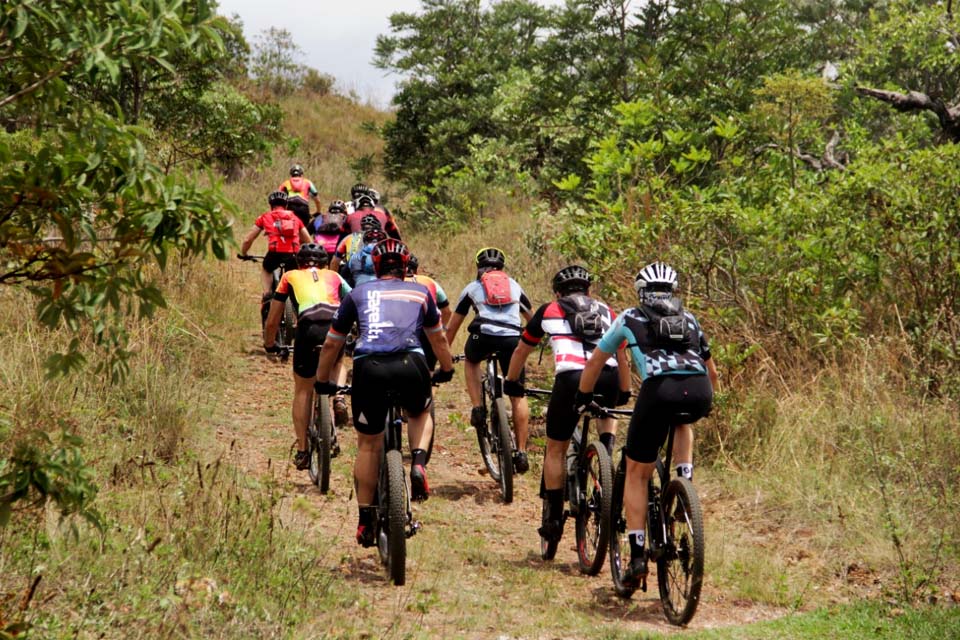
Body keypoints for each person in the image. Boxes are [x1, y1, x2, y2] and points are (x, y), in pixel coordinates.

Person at [576, 261, 719, 587]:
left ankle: (638, 556)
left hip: (659, 392)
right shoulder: (691, 319)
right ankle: (684, 485)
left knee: (637, 473)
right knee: (683, 422)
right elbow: (712, 372)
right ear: (673, 291)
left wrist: (583, 397)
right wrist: (706, 402)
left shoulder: (629, 317)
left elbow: (596, 361)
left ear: (641, 293)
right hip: (699, 390)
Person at [314, 239, 456, 545]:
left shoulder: (358, 293)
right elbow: (439, 340)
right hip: (411, 363)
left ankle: (365, 520)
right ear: (405, 268)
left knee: (368, 445)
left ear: (375, 267)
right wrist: (447, 369)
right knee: (419, 412)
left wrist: (323, 381)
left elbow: (331, 344)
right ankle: (418, 463)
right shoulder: (421, 292)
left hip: (370, 366)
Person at [503, 265, 631, 543]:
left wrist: (512, 381)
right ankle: (606, 454)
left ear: (557, 293)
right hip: (608, 376)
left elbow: (522, 349)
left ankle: (552, 518)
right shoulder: (607, 311)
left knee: (555, 449)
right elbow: (622, 356)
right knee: (606, 410)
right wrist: (625, 389)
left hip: (571, 379)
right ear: (589, 291)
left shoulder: (548, 310)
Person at [263, 244, 352, 470]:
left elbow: (273, 319)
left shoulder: (289, 276)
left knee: (303, 389)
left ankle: (303, 450)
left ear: (298, 262)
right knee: (336, 365)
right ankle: (336, 403)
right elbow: (354, 300)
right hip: (335, 326)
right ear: (324, 263)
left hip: (308, 328)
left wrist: (270, 344)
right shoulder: (334, 276)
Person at [445, 247, 534, 473]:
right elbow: (532, 319)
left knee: (471, 360)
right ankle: (522, 452)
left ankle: (478, 408)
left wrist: (444, 355)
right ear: (502, 268)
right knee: (517, 395)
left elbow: (453, 326)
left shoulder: (472, 288)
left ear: (478, 267)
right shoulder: (515, 286)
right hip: (512, 340)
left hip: (482, 338)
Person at [239, 191, 312, 324]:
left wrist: (243, 253)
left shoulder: (265, 217)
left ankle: (267, 294)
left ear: (271, 205)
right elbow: (308, 240)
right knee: (294, 280)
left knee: (267, 268)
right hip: (293, 255)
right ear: (286, 205)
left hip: (274, 254)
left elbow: (248, 239)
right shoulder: (295, 218)